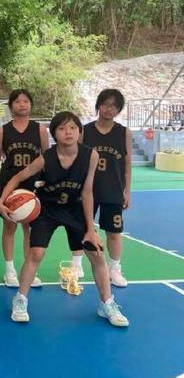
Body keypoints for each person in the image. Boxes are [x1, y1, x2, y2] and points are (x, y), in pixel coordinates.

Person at [0, 112, 129, 327]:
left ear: (79, 131)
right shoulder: (46, 158)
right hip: (47, 210)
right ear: (54, 134)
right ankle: (20, 299)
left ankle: (107, 304)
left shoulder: (91, 155)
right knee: (36, 253)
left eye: (73, 128)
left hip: (75, 210)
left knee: (96, 253)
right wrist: (2, 200)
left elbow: (87, 192)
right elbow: (18, 176)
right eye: (62, 128)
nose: (68, 132)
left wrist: (90, 229)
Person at [75, 89, 132, 287]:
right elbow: (77, 160)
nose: (109, 109)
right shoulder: (85, 131)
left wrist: (127, 192)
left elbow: (127, 164)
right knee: (80, 229)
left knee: (114, 233)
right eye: (106, 104)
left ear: (118, 110)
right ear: (98, 105)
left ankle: (114, 269)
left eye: (114, 106)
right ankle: (76, 265)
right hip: (87, 191)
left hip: (113, 190)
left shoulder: (124, 133)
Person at [0, 89, 48, 288]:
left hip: (33, 183)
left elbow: (47, 159)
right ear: (11, 106)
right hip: (9, 182)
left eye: (25, 101)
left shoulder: (40, 130)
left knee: (30, 228)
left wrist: (47, 184)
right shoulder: (3, 131)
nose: (22, 104)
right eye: (17, 101)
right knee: (9, 226)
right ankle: (9, 270)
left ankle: (29, 269)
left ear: (30, 104)